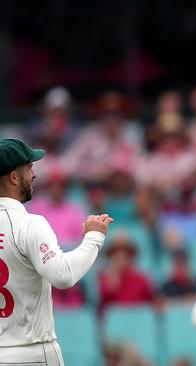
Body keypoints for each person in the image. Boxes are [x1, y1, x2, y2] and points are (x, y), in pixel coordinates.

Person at [0, 138, 113, 364]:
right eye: (29, 167)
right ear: (14, 177)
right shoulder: (29, 224)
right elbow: (63, 275)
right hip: (33, 353)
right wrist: (94, 237)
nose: (34, 175)